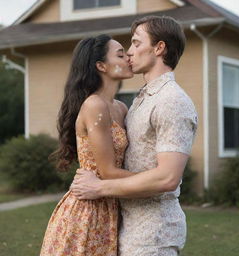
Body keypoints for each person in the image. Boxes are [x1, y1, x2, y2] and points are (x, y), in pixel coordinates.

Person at [71, 16, 198, 256]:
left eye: (136, 43)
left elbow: (167, 179)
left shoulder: (172, 101)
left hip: (154, 234)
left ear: (159, 48)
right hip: (126, 226)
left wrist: (100, 187)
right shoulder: (140, 100)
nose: (129, 52)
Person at [40, 34, 134, 256]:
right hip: (88, 211)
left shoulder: (120, 107)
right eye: (121, 54)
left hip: (110, 205)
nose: (129, 56)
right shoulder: (94, 105)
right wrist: (159, 177)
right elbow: (108, 171)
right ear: (101, 65)